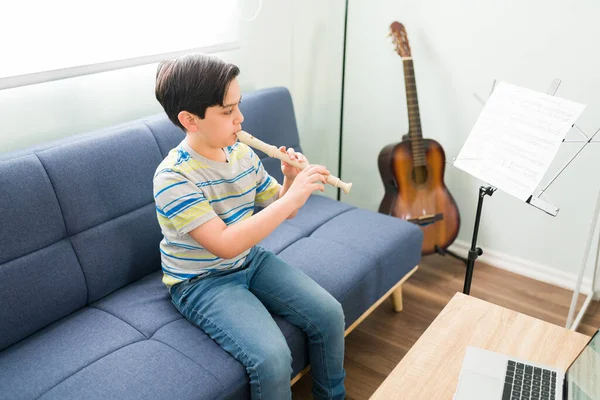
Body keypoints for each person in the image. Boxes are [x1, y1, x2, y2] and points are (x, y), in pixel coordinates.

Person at [153, 53, 347, 400]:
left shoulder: (242, 153)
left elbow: (280, 210)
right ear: (189, 120)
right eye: (227, 111)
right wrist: (292, 198)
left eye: (238, 106)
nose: (240, 119)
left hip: (248, 260)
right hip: (200, 282)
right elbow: (224, 243)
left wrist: (288, 182)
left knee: (329, 314)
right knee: (272, 359)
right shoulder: (173, 177)